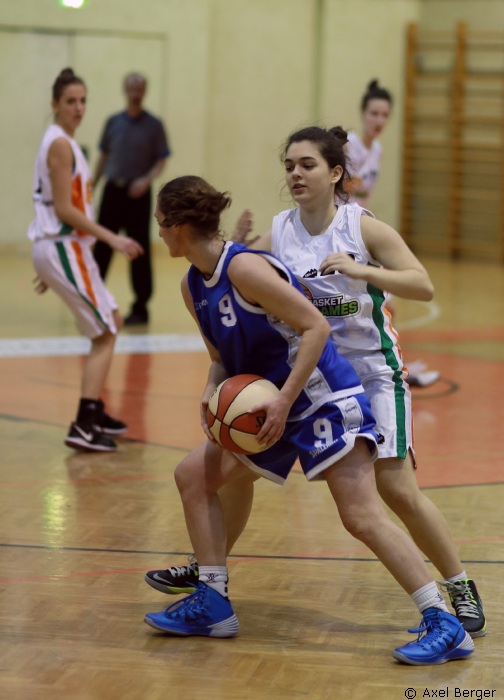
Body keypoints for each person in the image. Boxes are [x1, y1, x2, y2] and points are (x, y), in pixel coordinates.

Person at [145, 127, 487, 642]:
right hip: (303, 373)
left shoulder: (361, 227)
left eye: (307, 164)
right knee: (228, 473)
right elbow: (238, 271)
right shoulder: (281, 231)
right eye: (289, 166)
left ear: (335, 173)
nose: (295, 174)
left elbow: (423, 285)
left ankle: (458, 587)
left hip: (368, 370)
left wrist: (362, 271)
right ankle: (208, 573)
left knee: (394, 490)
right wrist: (231, 241)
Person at [28, 68, 143, 452]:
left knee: (112, 321)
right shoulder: (60, 144)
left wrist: (49, 267)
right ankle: (84, 423)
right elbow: (64, 209)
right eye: (70, 101)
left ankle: (94, 408)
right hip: (63, 245)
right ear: (55, 104)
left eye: (83, 101)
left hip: (63, 249)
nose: (78, 108)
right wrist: (113, 238)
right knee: (106, 331)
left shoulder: (65, 142)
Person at [346, 79, 440, 388]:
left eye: (385, 115)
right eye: (374, 113)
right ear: (363, 113)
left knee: (385, 307)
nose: (379, 120)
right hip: (343, 232)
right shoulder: (350, 146)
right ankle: (385, 367)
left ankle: (388, 364)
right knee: (380, 306)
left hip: (359, 230)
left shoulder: (377, 150)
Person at [93, 72, 171, 325]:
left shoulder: (154, 125)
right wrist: (91, 186)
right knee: (102, 246)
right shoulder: (113, 122)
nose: (135, 93)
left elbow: (161, 160)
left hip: (138, 195)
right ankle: (93, 302)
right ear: (125, 90)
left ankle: (140, 308)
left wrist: (145, 181)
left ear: (145, 91)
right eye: (131, 88)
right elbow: (104, 156)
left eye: (139, 89)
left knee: (139, 250)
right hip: (112, 191)